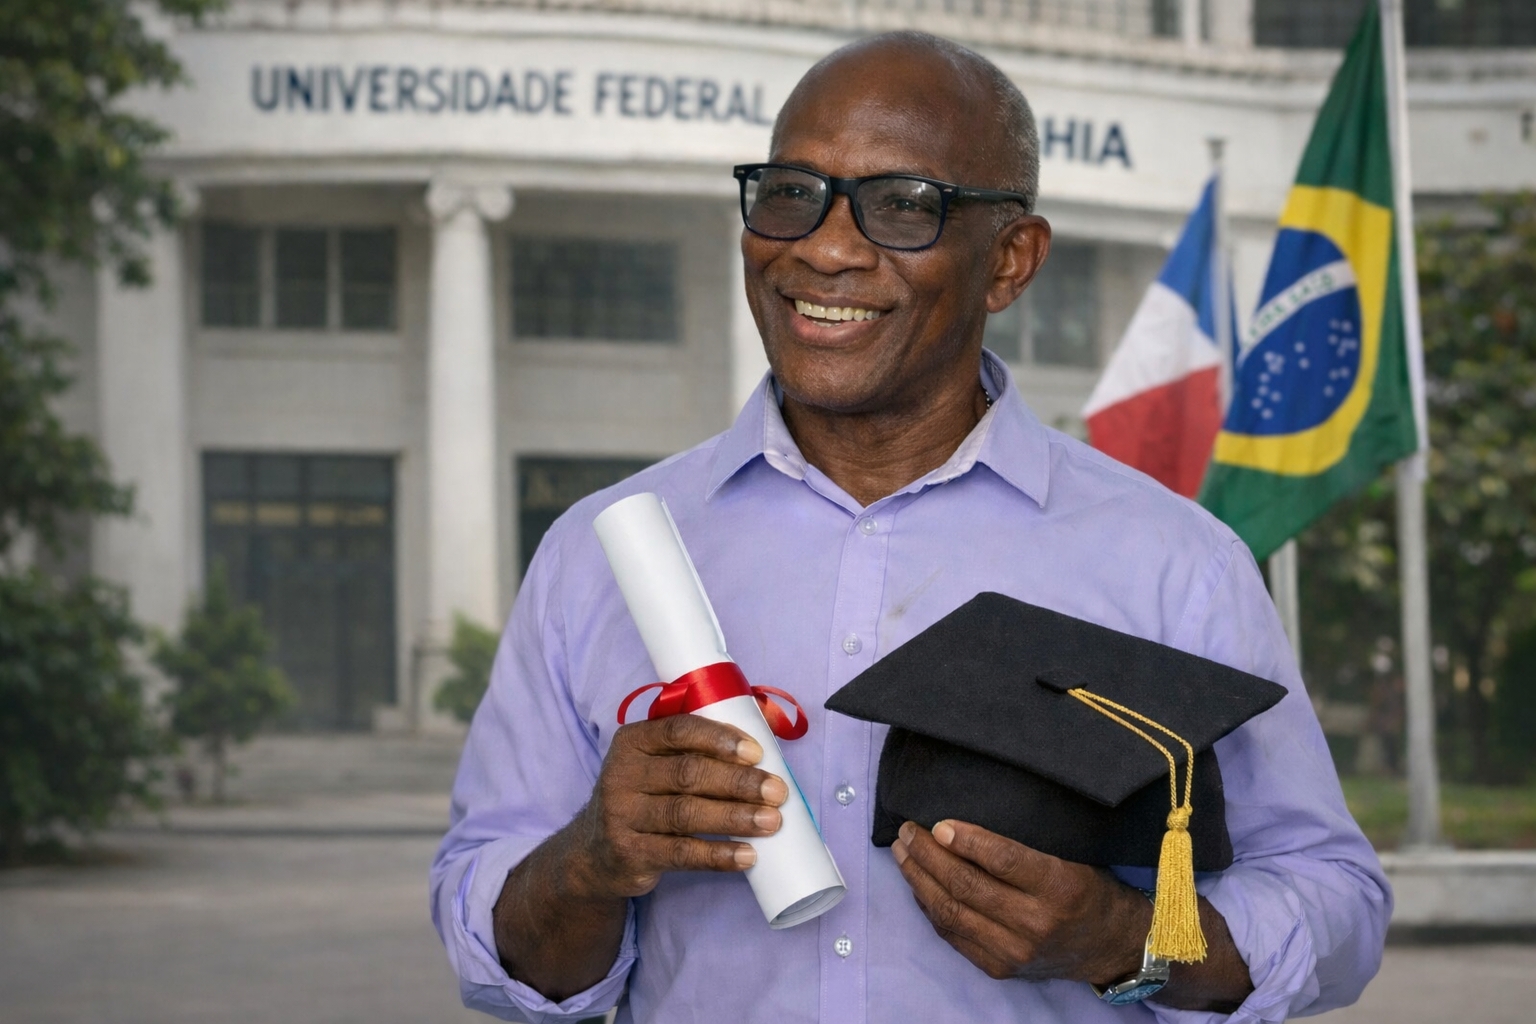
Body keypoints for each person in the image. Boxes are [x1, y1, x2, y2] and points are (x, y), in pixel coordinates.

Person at [430, 31, 1389, 1023]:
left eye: (902, 206)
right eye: (791, 191)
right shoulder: (599, 555)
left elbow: (1333, 902)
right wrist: (593, 859)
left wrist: (1124, 938)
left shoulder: (1170, 564)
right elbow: (493, 945)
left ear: (1010, 261)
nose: (824, 247)